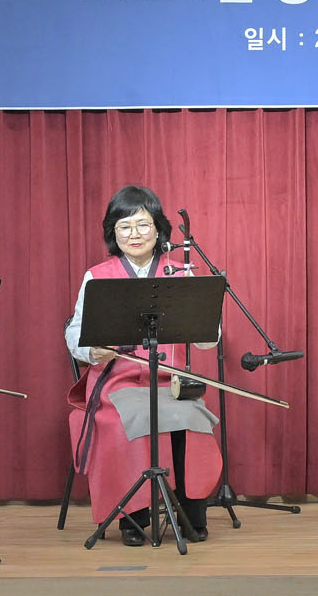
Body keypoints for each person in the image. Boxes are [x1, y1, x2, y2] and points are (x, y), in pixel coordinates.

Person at [66, 186, 221, 545]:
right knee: (126, 420)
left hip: (171, 383)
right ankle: (132, 518)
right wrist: (93, 350)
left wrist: (203, 313)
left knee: (191, 417)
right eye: (124, 226)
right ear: (113, 232)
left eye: (142, 224)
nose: (134, 234)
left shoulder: (180, 273)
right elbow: (75, 333)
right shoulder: (97, 276)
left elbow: (207, 339)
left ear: (158, 229)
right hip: (117, 385)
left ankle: (191, 514)